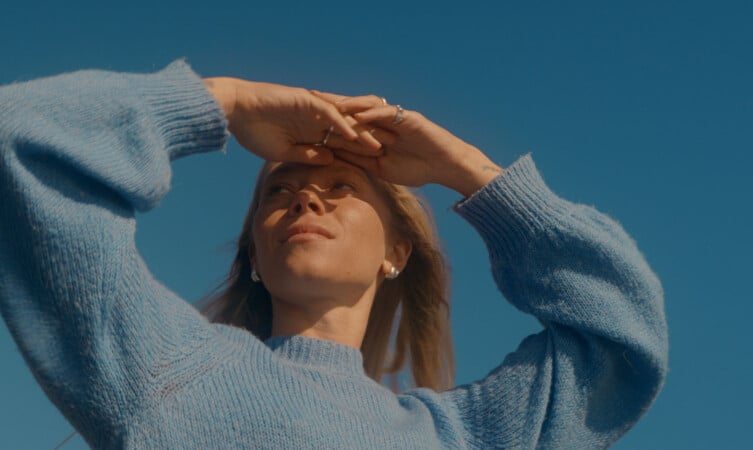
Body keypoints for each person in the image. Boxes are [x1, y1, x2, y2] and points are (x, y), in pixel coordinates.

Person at [0, 60, 668, 449]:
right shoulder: (166, 367)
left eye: (340, 189)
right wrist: (221, 101)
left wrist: (470, 171)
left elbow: (620, 336)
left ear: (395, 253)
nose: (306, 201)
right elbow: (20, 143)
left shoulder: (457, 435)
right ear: (256, 256)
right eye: (280, 191)